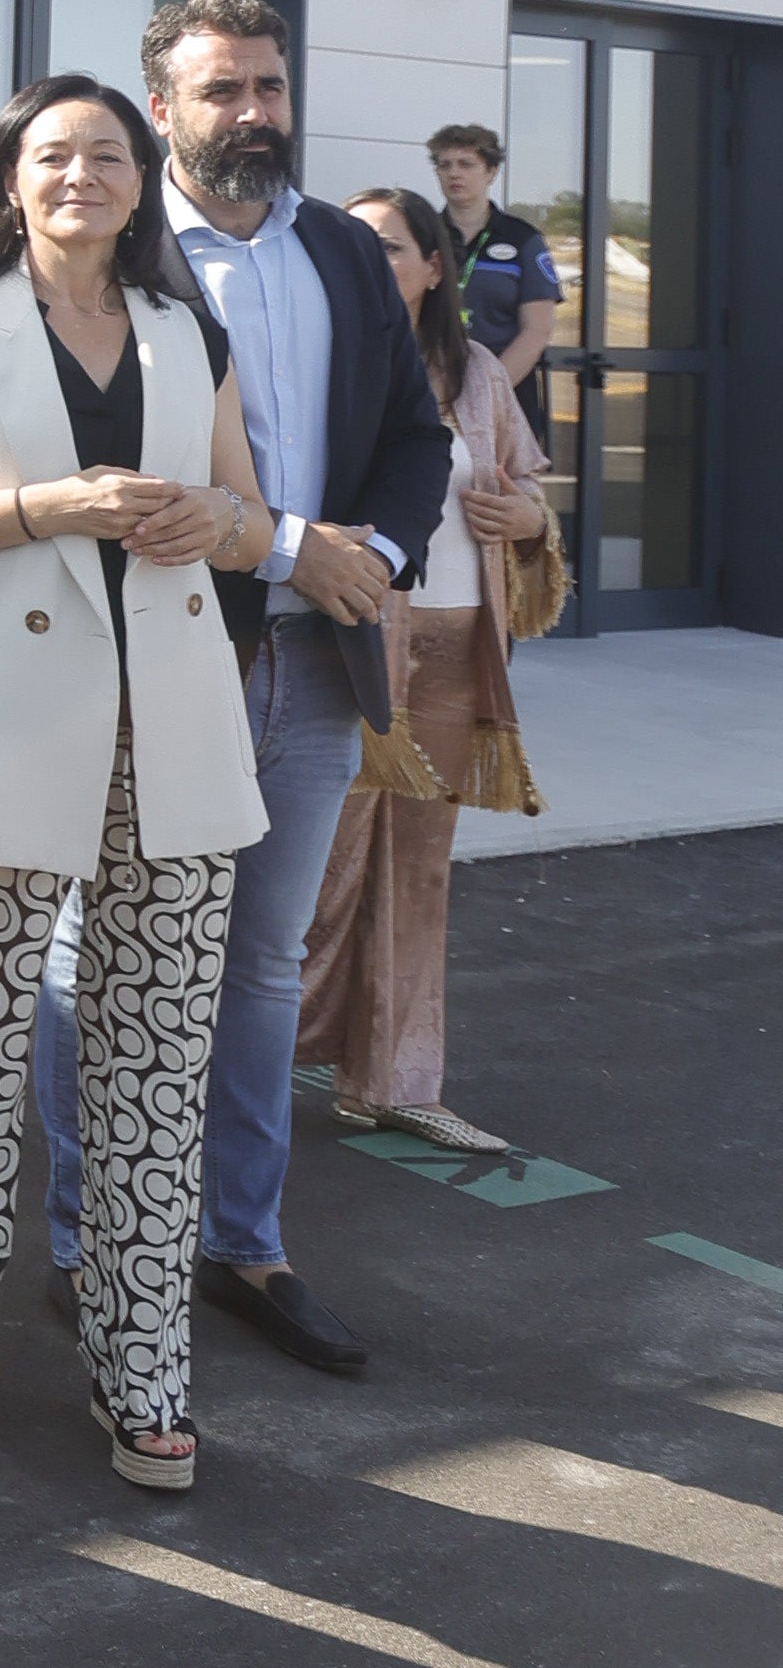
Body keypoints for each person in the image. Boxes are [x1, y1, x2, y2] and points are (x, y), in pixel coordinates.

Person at [0, 76, 269, 1487]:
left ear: (143, 181)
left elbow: (246, 517)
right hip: (8, 730)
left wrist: (218, 519)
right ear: (9, 182)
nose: (80, 173)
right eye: (52, 154)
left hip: (172, 728)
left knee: (157, 1059)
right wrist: (47, 506)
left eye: (106, 153)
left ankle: (145, 1365)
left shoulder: (180, 329)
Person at [32, 0, 452, 1381]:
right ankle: (89, 1243)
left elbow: (413, 434)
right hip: (157, 661)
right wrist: (287, 543)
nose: (254, 113)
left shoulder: (339, 246)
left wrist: (372, 558)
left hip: (317, 670)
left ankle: (241, 1242)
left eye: (269, 86)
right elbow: (117, 470)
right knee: (103, 965)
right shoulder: (115, 257)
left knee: (261, 972)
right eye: (223, 92)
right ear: (163, 110)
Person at [295, 187, 552, 1147]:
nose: (371, 260)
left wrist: (528, 520)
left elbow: (527, 485)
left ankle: (396, 1082)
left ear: (435, 266)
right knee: (314, 873)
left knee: (418, 873)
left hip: (455, 646)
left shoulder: (479, 370)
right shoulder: (326, 358)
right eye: (355, 244)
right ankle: (236, 1066)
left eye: (391, 247)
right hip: (354, 646)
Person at [427, 122, 566, 409]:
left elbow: (537, 329)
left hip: (503, 393)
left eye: (466, 164)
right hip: (432, 391)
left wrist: (487, 390)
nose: (454, 173)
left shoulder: (523, 240)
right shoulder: (423, 236)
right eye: (444, 165)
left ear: (491, 172)